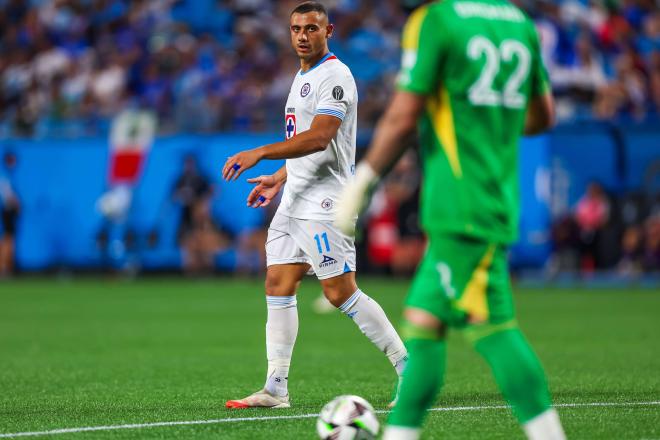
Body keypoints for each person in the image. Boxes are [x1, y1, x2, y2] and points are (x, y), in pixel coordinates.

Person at [335, 1, 566, 439]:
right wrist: (487, 123)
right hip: (489, 195)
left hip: (461, 203)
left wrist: (362, 181)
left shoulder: (436, 19)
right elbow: (542, 116)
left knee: (493, 328)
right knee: (423, 326)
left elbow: (404, 115)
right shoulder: (519, 23)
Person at [222, 1, 408, 409]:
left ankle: (407, 369)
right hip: (294, 199)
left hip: (325, 202)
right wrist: (279, 176)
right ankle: (276, 387)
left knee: (341, 292)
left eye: (311, 28)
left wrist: (262, 153)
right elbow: (305, 145)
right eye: (295, 29)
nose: (302, 36)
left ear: (329, 31)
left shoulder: (336, 76)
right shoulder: (302, 75)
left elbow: (321, 137)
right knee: (277, 283)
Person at [0, 151, 20, 278]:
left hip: (8, 212)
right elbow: (8, 197)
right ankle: (3, 267)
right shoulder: (4, 175)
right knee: (8, 239)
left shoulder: (8, 174)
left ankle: (5, 266)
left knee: (9, 239)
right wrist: (17, 204)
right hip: (6, 211)